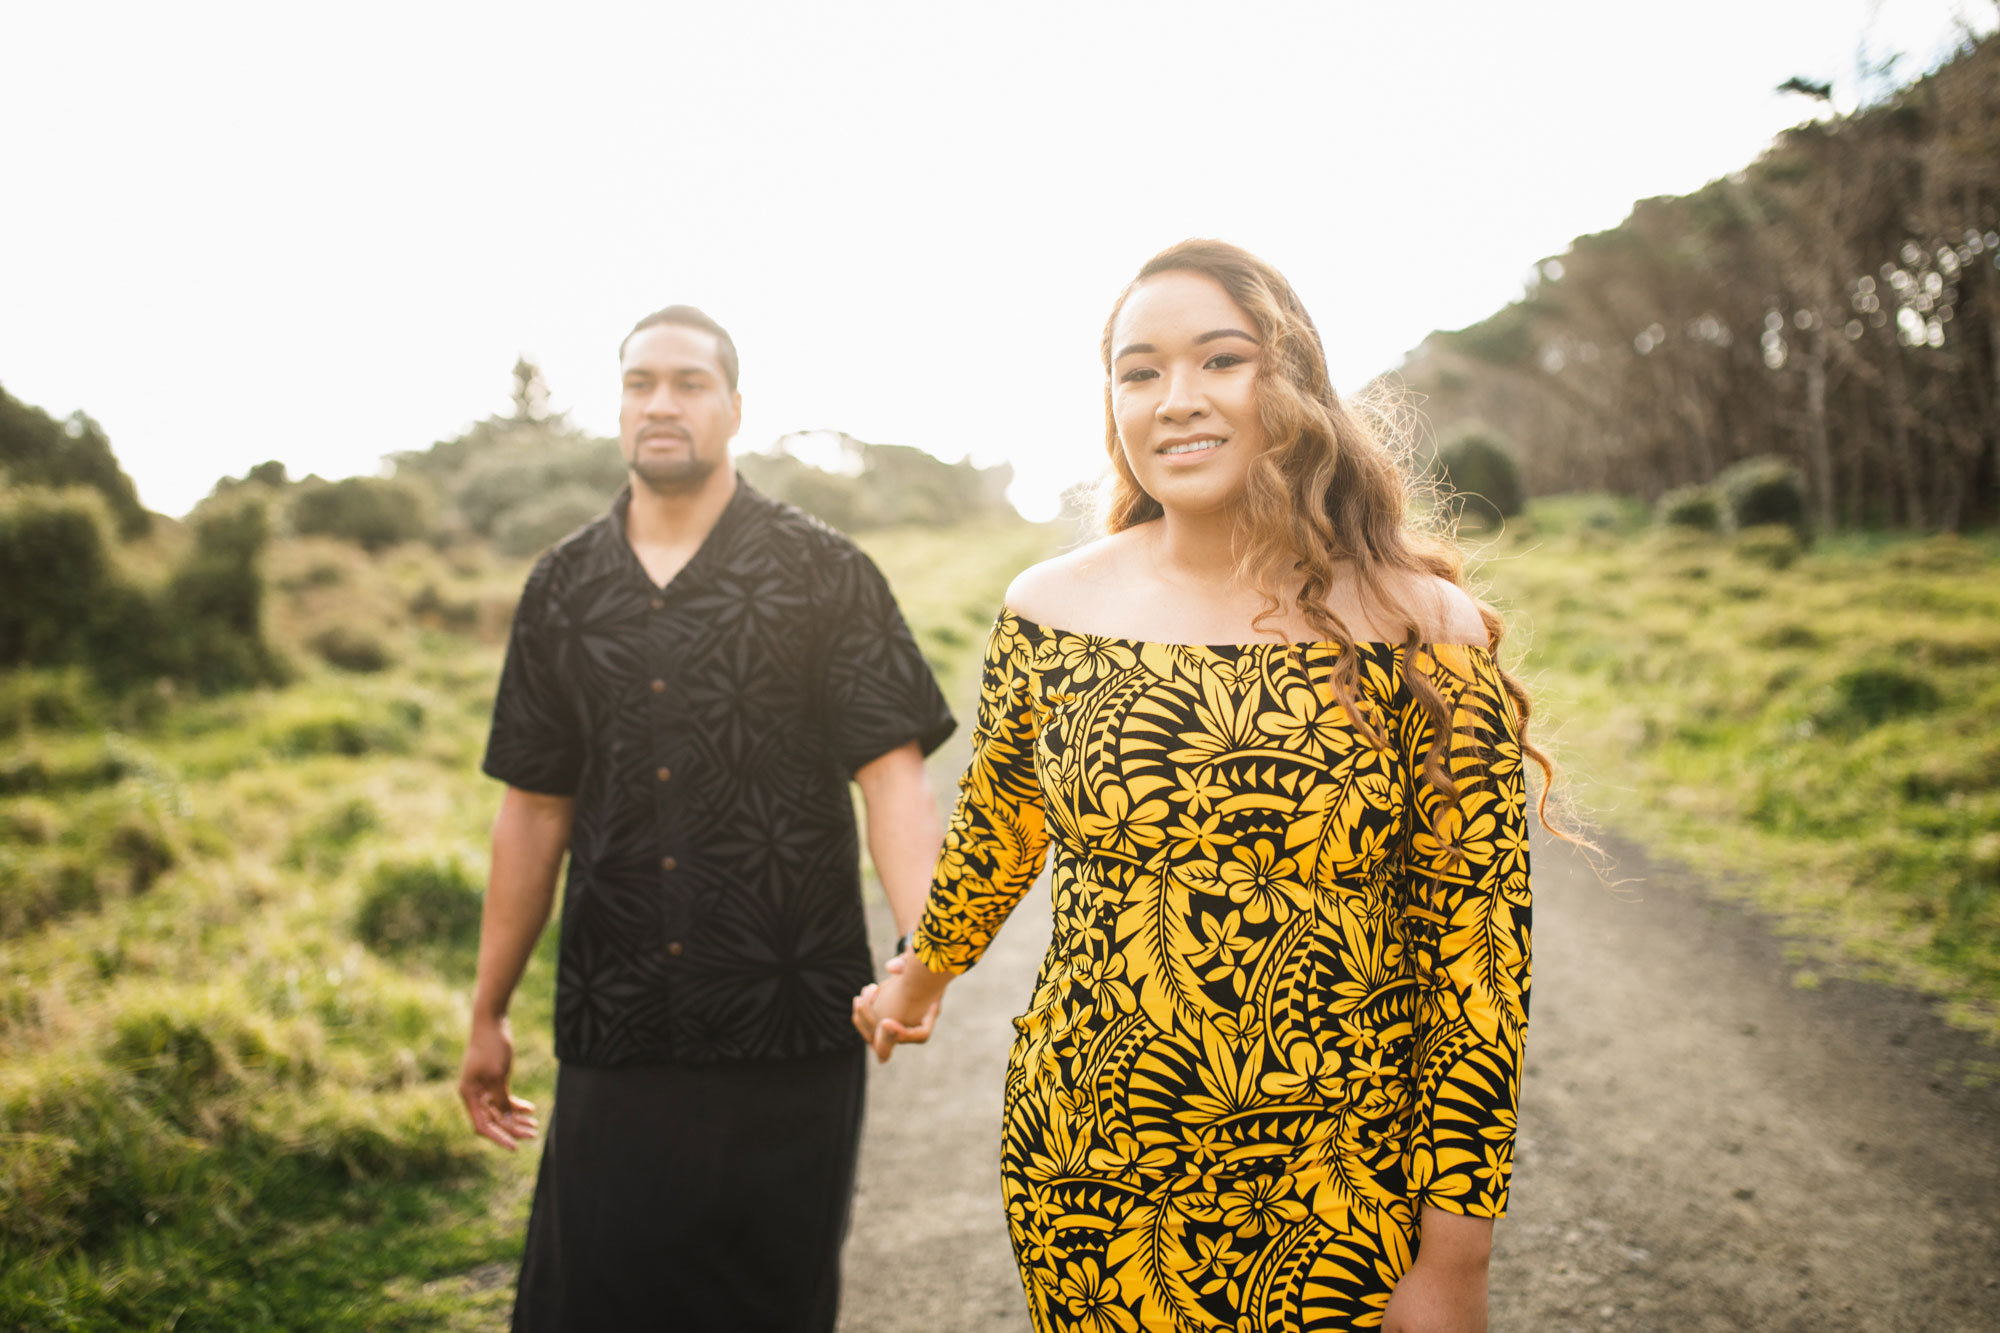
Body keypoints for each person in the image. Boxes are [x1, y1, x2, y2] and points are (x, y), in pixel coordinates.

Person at [854, 240, 1556, 1332]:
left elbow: (1474, 959)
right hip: (1086, 1169)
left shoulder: (1420, 629)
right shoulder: (1051, 609)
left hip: (1335, 1183)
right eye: (1139, 372)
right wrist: (918, 976)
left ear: (1291, 383)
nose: (1174, 400)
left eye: (1218, 360)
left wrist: (1455, 1254)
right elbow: (997, 832)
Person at [461, 303, 956, 1332]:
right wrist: (487, 1009)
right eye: (640, 382)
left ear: (734, 407)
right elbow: (534, 809)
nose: (661, 402)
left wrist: (923, 949)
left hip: (791, 1019)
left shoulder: (824, 572)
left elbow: (891, 779)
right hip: (616, 1017)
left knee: (763, 1308)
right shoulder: (562, 586)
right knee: (589, 1302)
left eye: (688, 382)